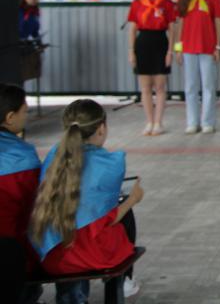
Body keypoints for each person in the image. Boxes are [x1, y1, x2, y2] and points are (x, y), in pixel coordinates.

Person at [30, 100, 143, 301]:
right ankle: (123, 283)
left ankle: (72, 297)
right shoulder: (112, 163)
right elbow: (106, 219)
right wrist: (133, 198)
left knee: (73, 232)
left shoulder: (54, 156)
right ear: (101, 128)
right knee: (124, 215)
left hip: (51, 255)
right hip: (91, 255)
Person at [0, 85, 41, 304]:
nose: (27, 116)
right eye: (25, 111)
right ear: (9, 117)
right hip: (14, 257)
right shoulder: (23, 158)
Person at [174, 0, 220, 134]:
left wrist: (218, 47)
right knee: (190, 87)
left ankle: (208, 122)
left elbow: (218, 21)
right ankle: (192, 122)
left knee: (209, 86)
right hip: (188, 47)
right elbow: (179, 23)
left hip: (208, 47)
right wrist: (178, 49)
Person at [126, 0, 177, 136]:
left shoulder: (167, 4)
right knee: (145, 87)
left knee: (160, 86)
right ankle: (149, 121)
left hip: (160, 43)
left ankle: (158, 122)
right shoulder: (137, 4)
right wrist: (131, 51)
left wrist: (170, 51)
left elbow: (172, 29)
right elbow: (132, 29)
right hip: (143, 44)